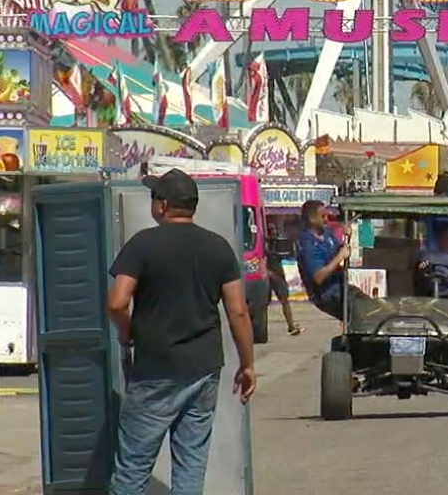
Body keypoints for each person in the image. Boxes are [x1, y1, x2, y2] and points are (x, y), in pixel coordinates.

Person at [106, 169, 257, 495]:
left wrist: (127, 333)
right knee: (191, 465)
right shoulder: (218, 248)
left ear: (162, 205)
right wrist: (247, 365)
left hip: (154, 369)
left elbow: (117, 302)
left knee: (133, 468)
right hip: (204, 369)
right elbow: (238, 311)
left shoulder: (142, 245)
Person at [297, 199, 371, 321]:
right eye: (323, 216)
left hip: (339, 285)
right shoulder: (308, 244)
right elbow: (318, 277)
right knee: (360, 310)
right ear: (312, 219)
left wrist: (347, 236)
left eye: (327, 215)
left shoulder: (326, 233)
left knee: (369, 304)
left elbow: (339, 250)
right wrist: (339, 257)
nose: (326, 219)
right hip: (326, 293)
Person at [264, 221, 303, 336]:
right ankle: (289, 326)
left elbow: (287, 254)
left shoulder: (275, 244)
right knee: (269, 303)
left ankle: (291, 326)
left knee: (283, 301)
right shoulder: (265, 243)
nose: (274, 233)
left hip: (275, 272)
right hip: (271, 273)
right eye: (271, 230)